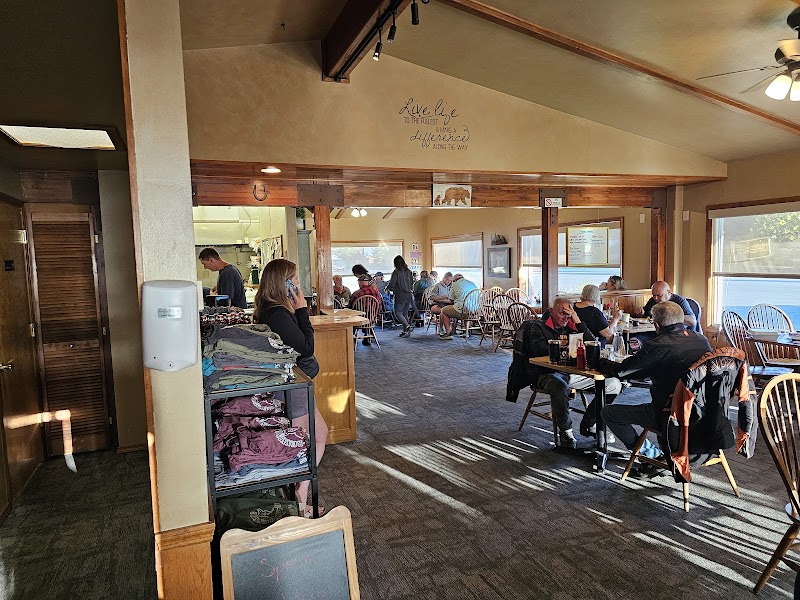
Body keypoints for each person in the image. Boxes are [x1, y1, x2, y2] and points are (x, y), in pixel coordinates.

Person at [599, 301, 712, 475]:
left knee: (609, 413)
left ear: (656, 325)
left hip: (669, 415)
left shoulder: (658, 345)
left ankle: (653, 455)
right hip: (705, 412)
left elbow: (624, 372)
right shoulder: (701, 339)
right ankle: (664, 455)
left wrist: (599, 363)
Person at [252, 258, 328, 516]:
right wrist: (302, 310)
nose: (298, 284)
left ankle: (300, 496)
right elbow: (306, 347)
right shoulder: (278, 314)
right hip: (292, 385)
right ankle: (298, 502)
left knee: (318, 435)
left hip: (291, 384)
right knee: (304, 442)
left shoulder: (270, 310)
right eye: (294, 280)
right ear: (282, 283)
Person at [509, 297, 622, 448]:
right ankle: (566, 431)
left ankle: (589, 423)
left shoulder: (572, 327)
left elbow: (592, 343)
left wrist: (577, 320)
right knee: (559, 386)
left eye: (569, 313)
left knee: (614, 384)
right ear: (551, 312)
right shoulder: (538, 328)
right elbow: (541, 352)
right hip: (545, 373)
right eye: (562, 313)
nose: (566, 317)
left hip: (573, 373)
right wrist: (570, 348)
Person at [438, 274, 478, 340]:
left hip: (462, 311)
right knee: (464, 307)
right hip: (475, 311)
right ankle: (467, 332)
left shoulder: (455, 285)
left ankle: (448, 333)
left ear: (455, 280)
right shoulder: (472, 283)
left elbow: (451, 300)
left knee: (444, 311)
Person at [349, 274, 383, 346]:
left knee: (354, 318)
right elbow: (379, 306)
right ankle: (366, 335)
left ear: (359, 282)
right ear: (368, 282)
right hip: (371, 320)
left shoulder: (356, 293)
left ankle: (350, 337)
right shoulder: (376, 293)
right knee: (367, 316)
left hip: (359, 321)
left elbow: (350, 308)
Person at [387, 256, 415, 337]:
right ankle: (405, 332)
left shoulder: (396, 272)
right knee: (405, 313)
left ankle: (407, 327)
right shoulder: (409, 271)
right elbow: (412, 282)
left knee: (398, 313)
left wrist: (388, 288)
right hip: (409, 295)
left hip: (400, 295)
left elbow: (392, 283)